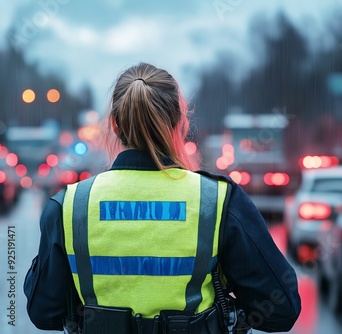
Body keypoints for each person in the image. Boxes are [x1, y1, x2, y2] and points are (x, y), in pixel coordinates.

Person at [24, 62, 301, 333]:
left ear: (114, 124)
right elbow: (281, 310)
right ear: (180, 123)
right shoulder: (216, 200)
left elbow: (44, 313)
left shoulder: (70, 206)